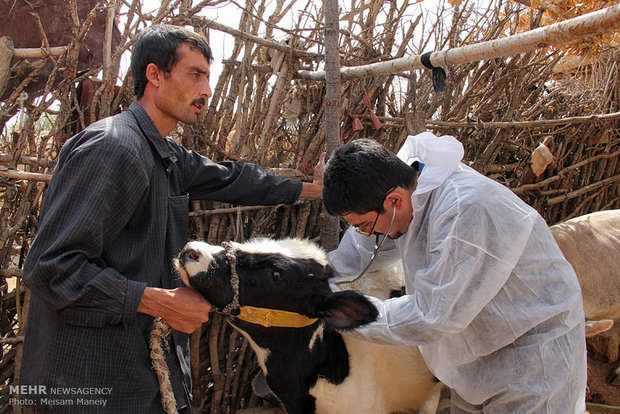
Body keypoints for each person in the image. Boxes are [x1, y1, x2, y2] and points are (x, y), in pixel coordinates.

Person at [19, 24, 322, 413]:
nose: (207, 91)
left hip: (135, 375)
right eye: (195, 74)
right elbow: (50, 268)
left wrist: (309, 191)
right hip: (89, 383)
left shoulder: (163, 154)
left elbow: (233, 178)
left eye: (208, 78)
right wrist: (157, 302)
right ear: (155, 75)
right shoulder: (114, 149)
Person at [323, 132, 587, 413]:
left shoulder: (466, 210)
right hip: (477, 355)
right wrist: (317, 275)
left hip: (532, 356)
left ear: (394, 201)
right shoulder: (405, 190)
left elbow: (431, 315)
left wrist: (343, 311)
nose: (366, 233)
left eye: (364, 224)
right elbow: (360, 250)